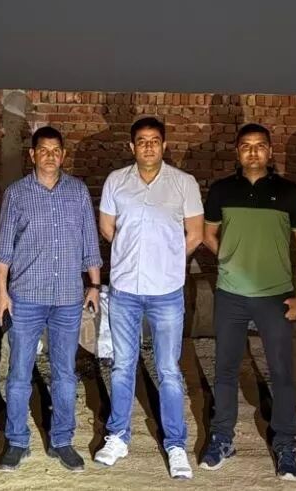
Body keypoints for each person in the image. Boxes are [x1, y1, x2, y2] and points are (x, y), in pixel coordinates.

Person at [92, 117, 204, 480]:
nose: (149, 146)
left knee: (168, 369)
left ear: (164, 145)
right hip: (125, 290)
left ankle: (175, 444)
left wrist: (166, 259)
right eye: (141, 141)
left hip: (166, 292)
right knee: (123, 365)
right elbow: (107, 227)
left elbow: (195, 234)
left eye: (155, 140)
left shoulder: (183, 183)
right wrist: (132, 253)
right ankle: (118, 436)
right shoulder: (116, 181)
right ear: (132, 147)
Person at [200, 123, 296, 480]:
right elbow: (208, 233)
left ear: (270, 151)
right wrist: (230, 259)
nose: (253, 152)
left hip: (276, 295)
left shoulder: (289, 192)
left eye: (260, 145)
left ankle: (286, 444)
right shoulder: (222, 190)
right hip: (231, 295)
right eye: (246, 146)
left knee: (281, 372)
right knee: (225, 369)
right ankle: (222, 437)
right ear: (237, 152)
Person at [0, 126, 102, 472]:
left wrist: (94, 285)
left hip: (68, 297)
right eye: (44, 150)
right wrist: (0, 292)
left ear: (63, 155)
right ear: (32, 154)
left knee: (65, 373)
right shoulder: (17, 194)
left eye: (56, 151)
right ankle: (16, 441)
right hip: (25, 296)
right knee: (19, 372)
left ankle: (62, 441)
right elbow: (3, 249)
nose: (50, 156)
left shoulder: (78, 191)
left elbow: (90, 243)